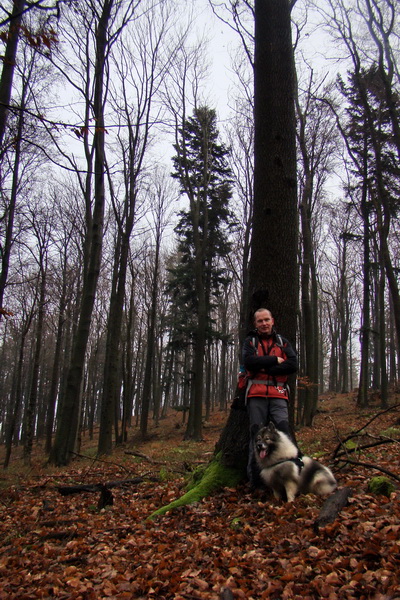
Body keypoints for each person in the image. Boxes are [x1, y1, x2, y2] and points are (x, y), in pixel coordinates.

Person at [242, 308, 298, 486]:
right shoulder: (250, 342)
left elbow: (292, 364)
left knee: (283, 432)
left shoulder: (283, 342)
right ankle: (256, 482)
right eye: (260, 321)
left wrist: (267, 368)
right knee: (256, 436)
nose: (264, 324)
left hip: (279, 393)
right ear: (255, 324)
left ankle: (289, 477)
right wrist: (274, 360)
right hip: (256, 394)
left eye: (267, 320)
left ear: (272, 321)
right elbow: (249, 362)